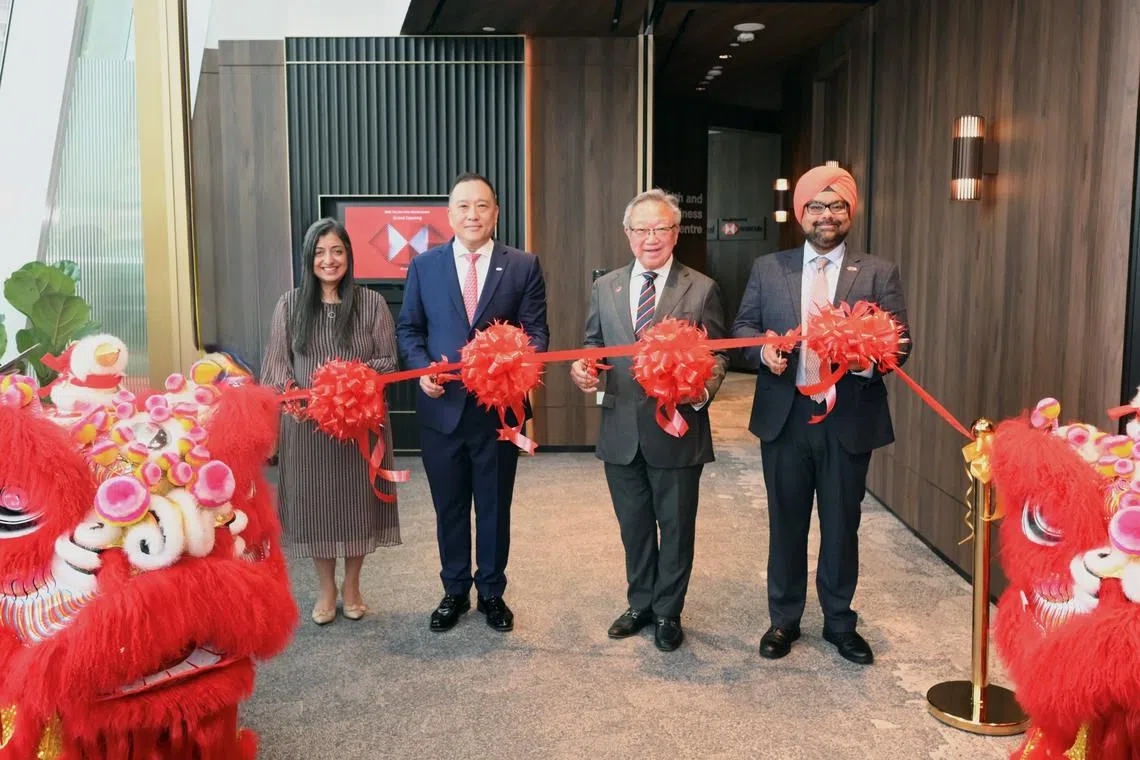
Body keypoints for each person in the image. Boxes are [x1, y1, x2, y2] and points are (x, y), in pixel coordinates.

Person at [731, 165, 911, 665]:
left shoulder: (878, 272)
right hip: (785, 417)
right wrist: (762, 353)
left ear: (849, 213)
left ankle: (838, 621)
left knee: (841, 523)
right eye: (815, 206)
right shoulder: (770, 268)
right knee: (785, 522)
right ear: (800, 214)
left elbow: (900, 342)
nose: (825, 215)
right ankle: (784, 618)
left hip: (848, 418)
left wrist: (867, 357)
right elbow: (744, 328)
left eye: (836, 206)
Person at [569, 189, 727, 652]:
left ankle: (668, 611)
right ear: (627, 234)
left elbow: (717, 356)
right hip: (620, 429)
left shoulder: (701, 288)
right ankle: (640, 603)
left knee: (676, 526)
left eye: (660, 228)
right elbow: (593, 345)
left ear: (675, 233)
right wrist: (584, 370)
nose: (650, 237)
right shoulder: (607, 285)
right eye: (641, 229)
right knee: (633, 524)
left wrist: (700, 390)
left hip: (676, 428)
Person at [396, 172, 549, 633]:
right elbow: (409, 330)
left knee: (495, 506)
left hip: (498, 413)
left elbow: (537, 334)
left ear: (496, 212)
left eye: (482, 206)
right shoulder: (425, 266)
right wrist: (423, 371)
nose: (472, 215)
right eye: (463, 206)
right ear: (449, 215)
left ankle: (493, 593)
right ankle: (454, 590)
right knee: (450, 506)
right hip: (441, 410)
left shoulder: (523, 265)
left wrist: (514, 371)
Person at [261, 217, 401, 625]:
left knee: (358, 504)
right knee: (316, 505)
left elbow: (388, 361)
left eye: (337, 251)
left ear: (348, 256)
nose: (329, 259)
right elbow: (275, 369)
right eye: (320, 252)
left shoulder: (372, 303)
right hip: (307, 428)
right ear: (308, 258)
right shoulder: (288, 305)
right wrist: (294, 401)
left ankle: (353, 585)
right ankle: (325, 588)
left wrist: (351, 385)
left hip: (359, 424)